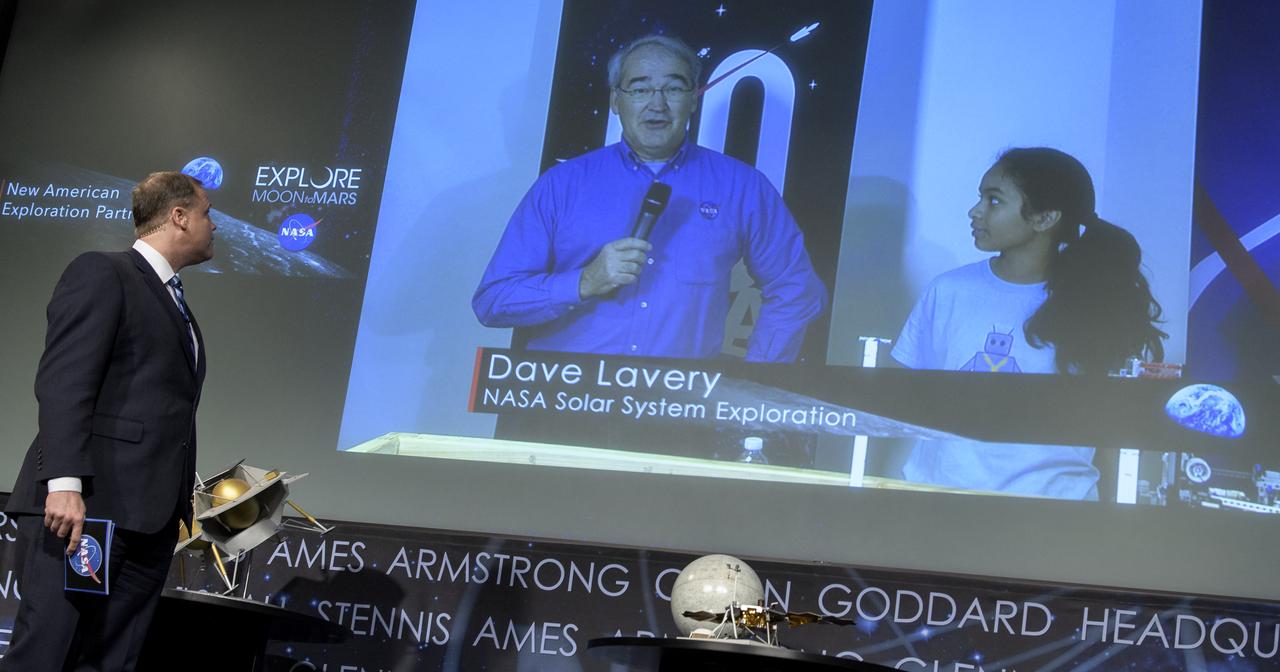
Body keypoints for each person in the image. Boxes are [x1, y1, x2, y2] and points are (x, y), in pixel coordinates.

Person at [473, 34, 827, 363]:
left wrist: (753, 381)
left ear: (694, 99)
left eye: (673, 88)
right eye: (640, 90)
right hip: (567, 399)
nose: (657, 104)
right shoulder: (561, 185)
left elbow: (797, 290)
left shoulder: (743, 187)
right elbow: (493, 301)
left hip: (677, 410)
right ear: (616, 100)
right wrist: (583, 282)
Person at [2, 171, 215, 670]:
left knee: (111, 662)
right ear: (178, 217)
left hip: (149, 520)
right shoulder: (103, 272)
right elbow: (64, 382)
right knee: (47, 655)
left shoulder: (175, 300)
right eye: (207, 214)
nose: (214, 226)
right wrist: (64, 482)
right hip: (86, 511)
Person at [891, 147, 1166, 499]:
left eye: (994, 201)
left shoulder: (1092, 304)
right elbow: (910, 396)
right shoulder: (948, 290)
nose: (975, 211)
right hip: (939, 500)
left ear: (1045, 218)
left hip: (1051, 518)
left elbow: (1108, 424)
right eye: (980, 198)